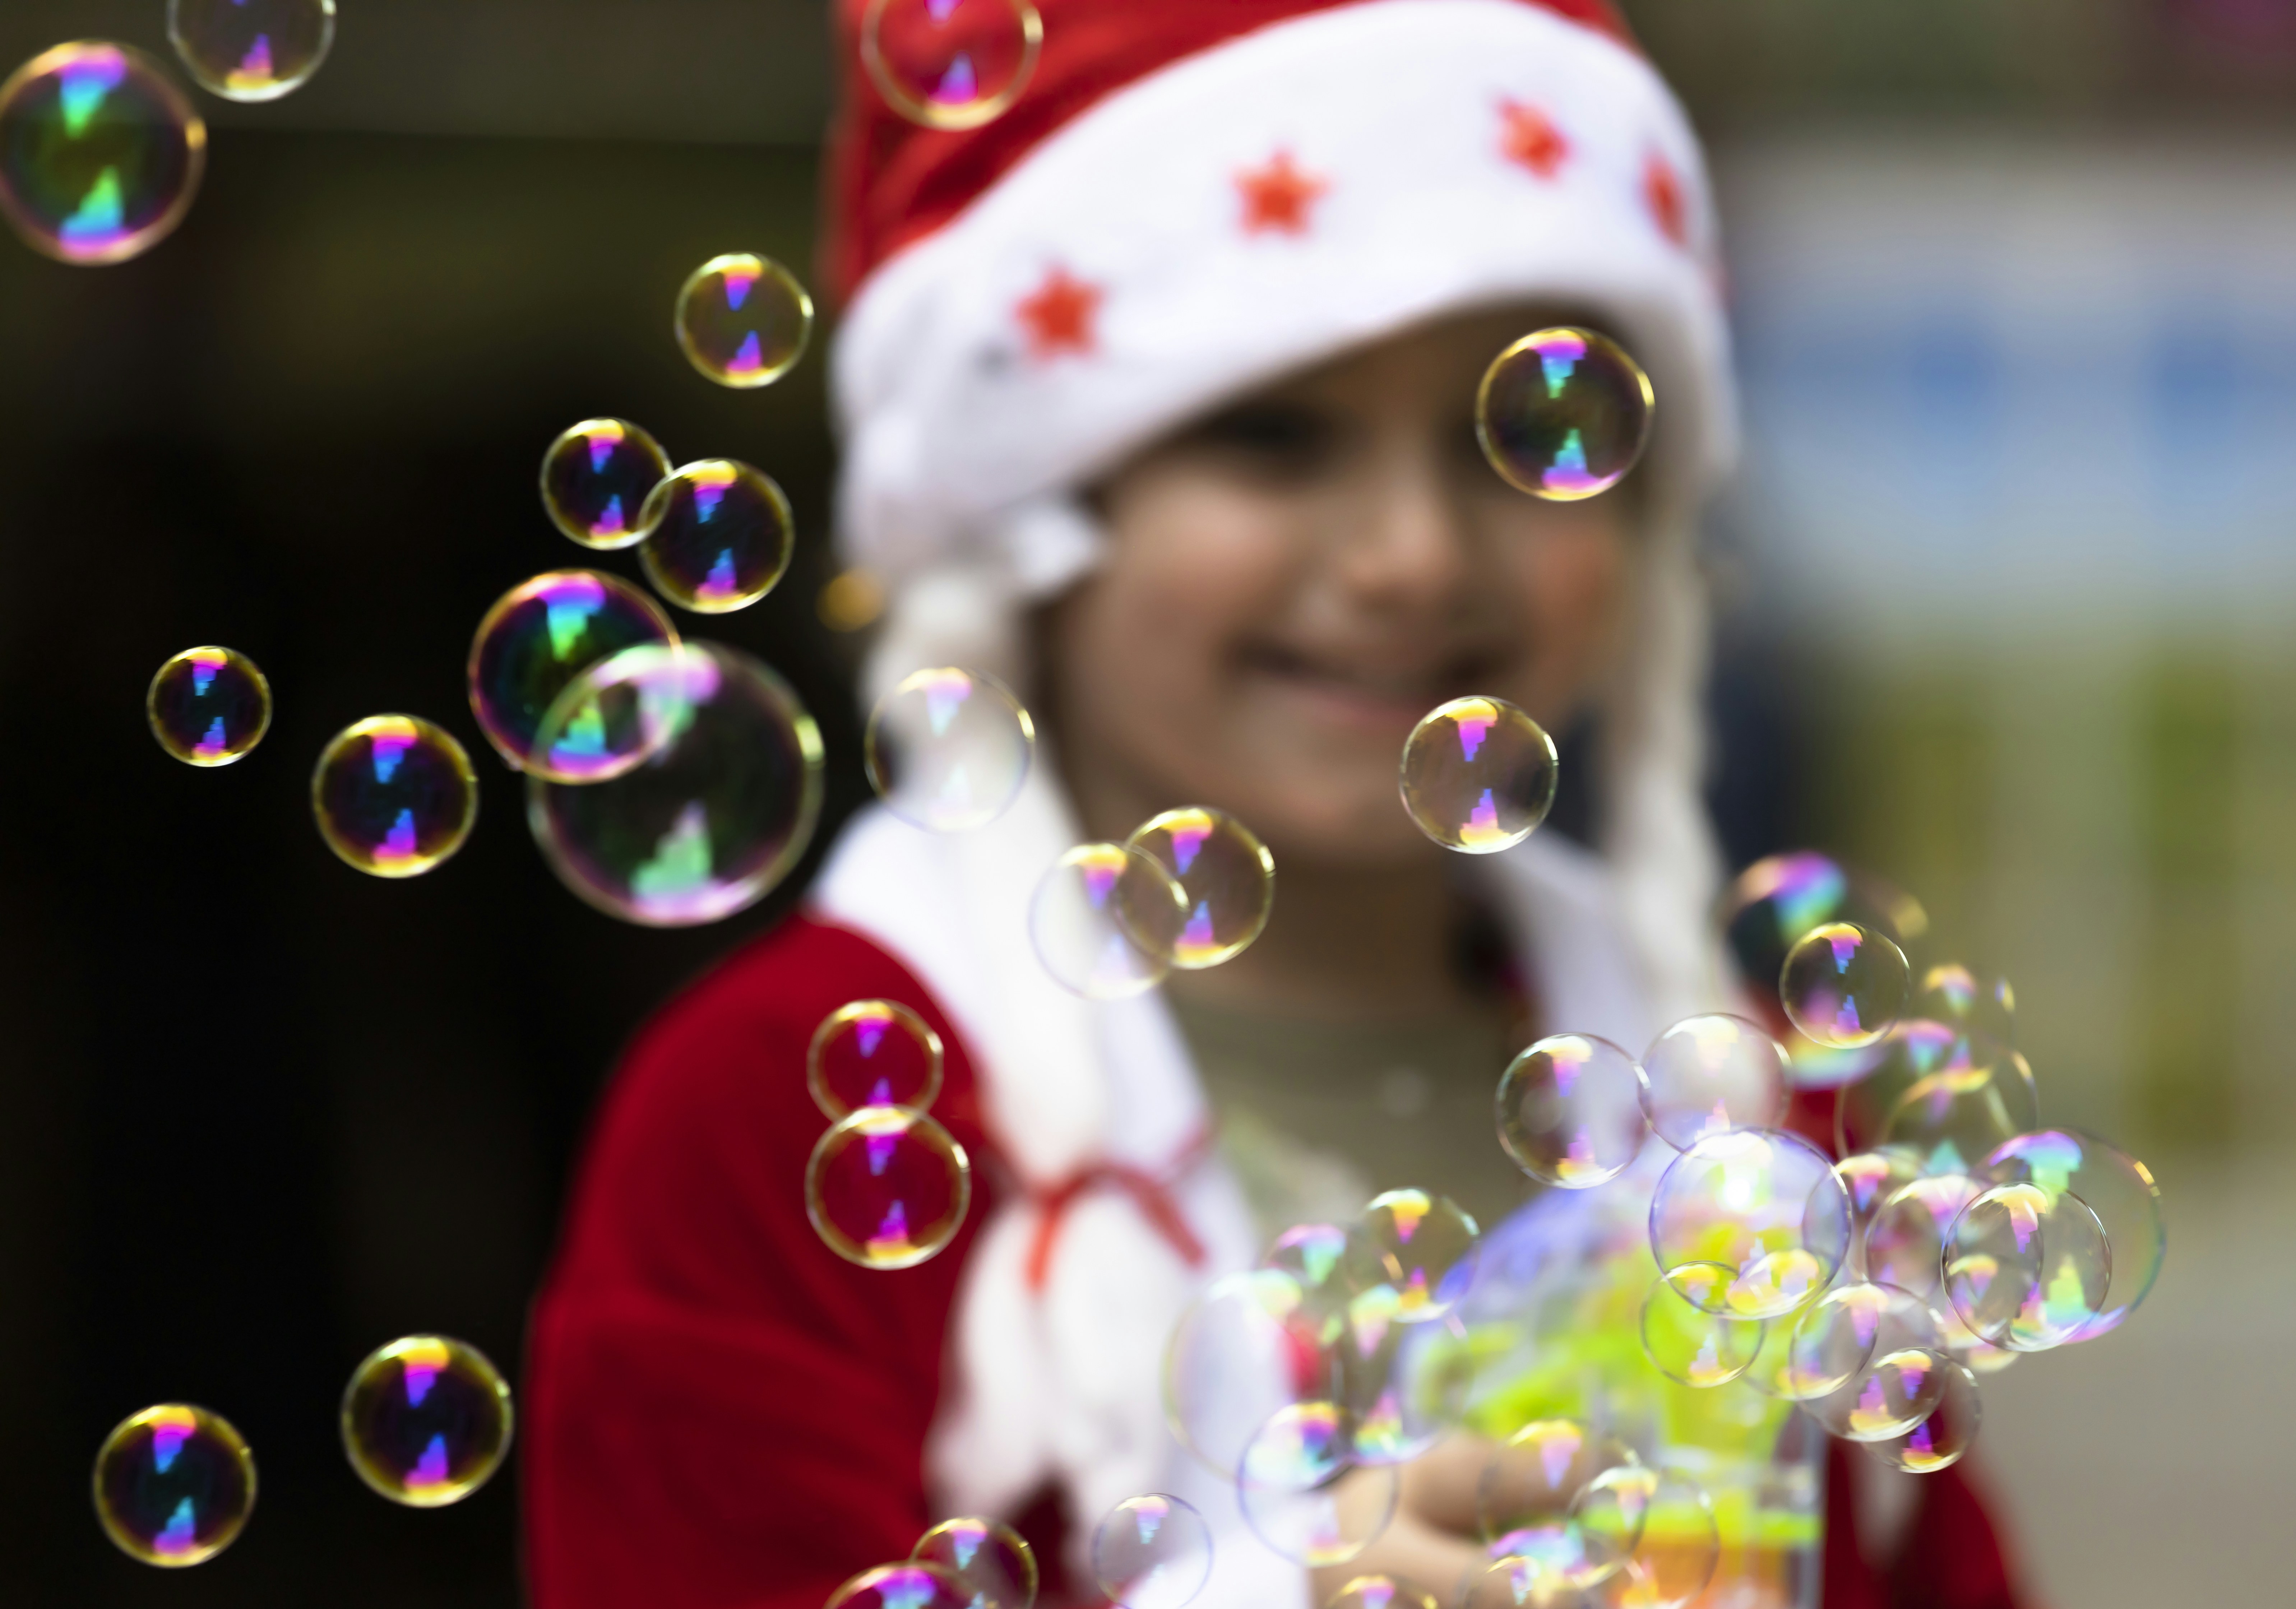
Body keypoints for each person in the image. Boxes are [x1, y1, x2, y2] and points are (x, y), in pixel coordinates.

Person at [523, 3, 2023, 1606]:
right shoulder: (781, 1117)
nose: (1413, 557)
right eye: (1274, 434)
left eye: (1522, 434)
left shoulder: (1739, 1113)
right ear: (1027, 512)